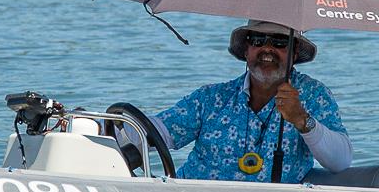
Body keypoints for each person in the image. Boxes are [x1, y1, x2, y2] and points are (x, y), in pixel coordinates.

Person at [147, 20, 352, 183]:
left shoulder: (314, 95)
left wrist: (302, 120)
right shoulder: (212, 97)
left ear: (294, 52)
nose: (267, 48)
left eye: (280, 41)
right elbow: (157, 132)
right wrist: (118, 131)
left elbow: (341, 161)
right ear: (246, 50)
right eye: (258, 40)